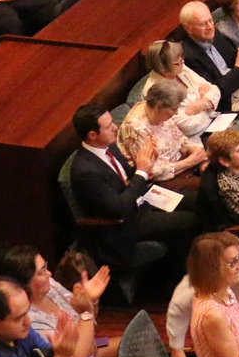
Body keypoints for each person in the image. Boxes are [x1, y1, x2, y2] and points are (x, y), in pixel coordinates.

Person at [65, 105, 197, 279]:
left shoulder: (109, 146)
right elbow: (119, 208)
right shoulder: (85, 171)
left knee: (198, 199)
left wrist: (148, 162)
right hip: (125, 223)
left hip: (142, 198)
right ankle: (182, 276)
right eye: (108, 126)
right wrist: (141, 172)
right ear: (92, 135)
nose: (115, 128)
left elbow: (128, 176)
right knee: (190, 220)